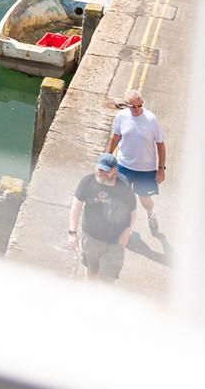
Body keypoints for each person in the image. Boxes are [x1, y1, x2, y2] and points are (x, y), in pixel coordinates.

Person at [109, 89, 167, 234]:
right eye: (132, 106)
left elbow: (160, 144)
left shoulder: (151, 120)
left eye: (139, 105)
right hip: (124, 165)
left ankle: (151, 215)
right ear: (126, 105)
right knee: (120, 196)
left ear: (142, 103)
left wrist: (161, 169)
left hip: (146, 169)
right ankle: (122, 227)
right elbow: (115, 138)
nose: (136, 109)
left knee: (145, 199)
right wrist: (107, 158)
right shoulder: (121, 117)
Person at [70, 153, 137, 280]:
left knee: (108, 278)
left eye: (106, 171)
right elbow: (76, 207)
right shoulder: (87, 181)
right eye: (100, 170)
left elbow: (133, 212)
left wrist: (127, 232)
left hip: (114, 242)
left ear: (115, 171)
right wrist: (72, 233)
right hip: (91, 238)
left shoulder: (124, 188)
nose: (101, 174)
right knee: (91, 272)